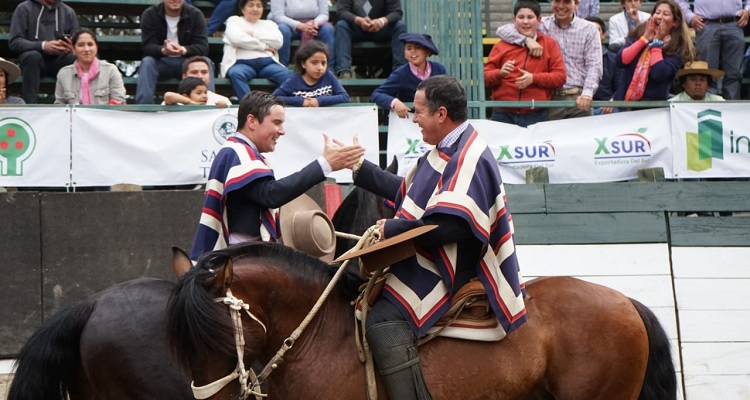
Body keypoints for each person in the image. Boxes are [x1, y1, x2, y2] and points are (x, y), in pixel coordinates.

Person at [352, 74, 527, 400]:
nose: (414, 118)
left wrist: (391, 230)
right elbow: (410, 194)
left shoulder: (469, 156)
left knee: (381, 319)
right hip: (435, 251)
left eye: (419, 112)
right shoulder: (448, 148)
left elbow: (450, 227)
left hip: (455, 265)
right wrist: (359, 169)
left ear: (441, 114)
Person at [190, 91, 364, 260]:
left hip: (242, 256)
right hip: (240, 258)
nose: (282, 131)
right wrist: (324, 165)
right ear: (252, 121)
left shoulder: (241, 151)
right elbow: (270, 195)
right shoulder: (238, 151)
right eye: (277, 122)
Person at [496, 0, 602, 120]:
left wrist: (587, 93)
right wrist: (526, 40)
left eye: (567, 2)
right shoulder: (541, 24)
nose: (561, 6)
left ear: (576, 4)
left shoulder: (589, 29)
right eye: (557, 1)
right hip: (549, 97)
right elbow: (502, 30)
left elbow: (594, 65)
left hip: (578, 98)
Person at [484, 1, 566, 127]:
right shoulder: (501, 45)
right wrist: (500, 73)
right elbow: (485, 77)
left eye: (530, 17)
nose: (525, 22)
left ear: (539, 20)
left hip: (537, 113)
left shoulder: (550, 44)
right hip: (503, 113)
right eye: (521, 17)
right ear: (514, 19)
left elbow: (560, 77)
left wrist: (533, 78)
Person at [613, 0, 695, 103]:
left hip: (652, 109)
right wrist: (644, 39)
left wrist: (657, 43)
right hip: (624, 105)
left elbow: (659, 73)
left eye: (665, 14)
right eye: (657, 12)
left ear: (675, 22)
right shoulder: (638, 34)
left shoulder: (677, 48)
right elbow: (620, 60)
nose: (659, 17)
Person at [135, 0, 210, 104]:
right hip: (160, 62)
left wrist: (183, 49)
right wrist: (163, 51)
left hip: (186, 62)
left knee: (205, 62)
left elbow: (203, 47)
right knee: (147, 62)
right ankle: (144, 109)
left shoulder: (195, 14)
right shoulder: (150, 14)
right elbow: (147, 46)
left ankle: (209, 105)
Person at [675, 0, 750, 100]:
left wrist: (747, 9)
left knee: (734, 75)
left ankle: (733, 110)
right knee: (707, 74)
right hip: (706, 24)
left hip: (735, 23)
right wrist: (690, 16)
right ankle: (709, 108)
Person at [221, 0, 293, 101]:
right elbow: (237, 39)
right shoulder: (234, 21)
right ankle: (249, 105)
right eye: (250, 5)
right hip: (242, 63)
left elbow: (278, 41)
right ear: (242, 8)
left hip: (267, 63)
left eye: (259, 6)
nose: (255, 9)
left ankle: (275, 103)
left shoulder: (269, 24)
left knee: (288, 75)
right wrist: (264, 46)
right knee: (236, 73)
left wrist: (254, 34)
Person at [9, 0, 78, 104]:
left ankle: (73, 106)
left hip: (60, 60)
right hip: (33, 62)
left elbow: (78, 41)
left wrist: (71, 47)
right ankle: (30, 107)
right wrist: (42, 45)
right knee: (32, 56)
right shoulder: (24, 8)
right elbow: (15, 41)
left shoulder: (68, 12)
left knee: (74, 58)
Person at [370, 33, 447, 118]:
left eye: (417, 47)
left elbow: (449, 92)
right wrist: (395, 102)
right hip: (409, 122)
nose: (412, 51)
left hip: (436, 120)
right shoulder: (401, 74)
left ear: (427, 52)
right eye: (408, 48)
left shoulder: (439, 69)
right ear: (405, 54)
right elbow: (376, 94)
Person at [334, 0, 408, 79]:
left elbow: (396, 12)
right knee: (341, 25)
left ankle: (400, 71)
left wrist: (381, 21)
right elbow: (341, 11)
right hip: (356, 29)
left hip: (381, 30)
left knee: (400, 25)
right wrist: (358, 20)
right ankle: (344, 71)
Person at [54, 28, 126, 105]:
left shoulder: (111, 71)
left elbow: (118, 103)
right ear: (74, 49)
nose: (86, 49)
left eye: (90, 44)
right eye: (81, 45)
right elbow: (60, 108)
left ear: (96, 47)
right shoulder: (63, 74)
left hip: (104, 116)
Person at [272, 40, 349, 107]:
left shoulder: (328, 76)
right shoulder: (294, 80)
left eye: (323, 63)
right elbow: (275, 97)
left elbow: (344, 97)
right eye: (314, 63)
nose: (320, 68)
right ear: (303, 64)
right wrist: (302, 102)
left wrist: (318, 101)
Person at [269, 0, 335, 69]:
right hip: (289, 25)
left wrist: (314, 23)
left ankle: (329, 69)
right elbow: (278, 16)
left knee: (328, 29)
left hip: (314, 25)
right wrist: (300, 25)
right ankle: (282, 67)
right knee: (282, 29)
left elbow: (324, 14)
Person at [587, 17, 623, 115]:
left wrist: (612, 101)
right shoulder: (575, 58)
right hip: (582, 106)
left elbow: (619, 87)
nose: (592, 33)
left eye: (596, 30)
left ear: (604, 35)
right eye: (588, 29)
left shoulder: (614, 59)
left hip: (607, 107)